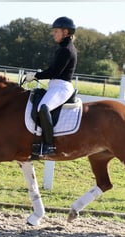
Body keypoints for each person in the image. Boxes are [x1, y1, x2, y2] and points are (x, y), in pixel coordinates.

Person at [25, 16, 77, 157]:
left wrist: (36, 75)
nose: (53, 34)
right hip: (56, 86)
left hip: (62, 87)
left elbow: (54, 71)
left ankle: (48, 145)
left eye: (56, 31)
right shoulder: (62, 48)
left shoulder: (66, 49)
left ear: (65, 32)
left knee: (44, 107)